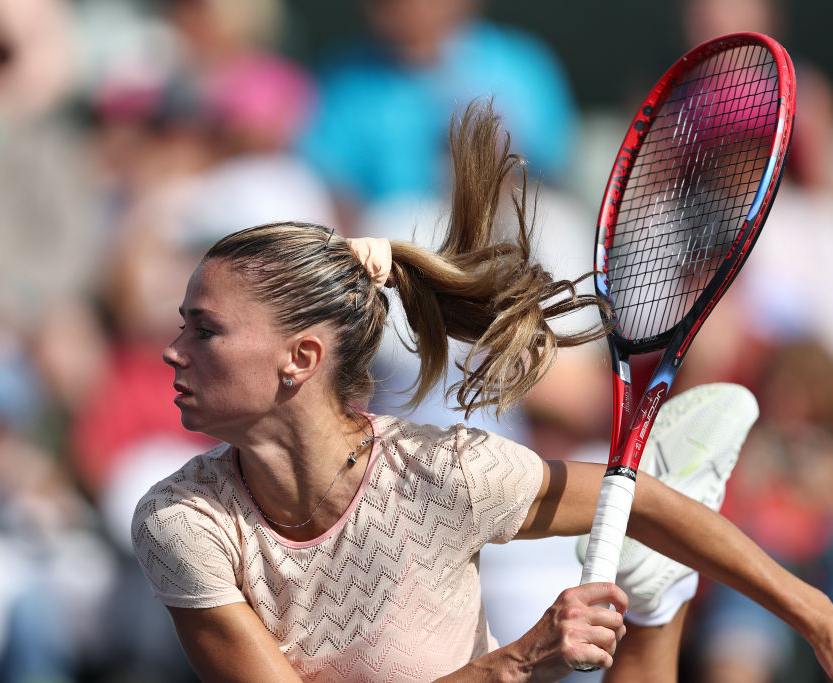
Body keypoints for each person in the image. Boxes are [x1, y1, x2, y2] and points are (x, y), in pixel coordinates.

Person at [131, 101, 833, 681]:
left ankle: (655, 598)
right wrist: (519, 662)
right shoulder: (181, 520)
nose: (172, 349)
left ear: (301, 358)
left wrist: (815, 614)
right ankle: (656, 597)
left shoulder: (447, 473)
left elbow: (641, 498)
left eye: (205, 329)